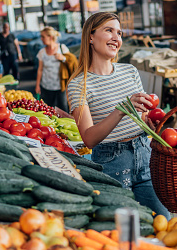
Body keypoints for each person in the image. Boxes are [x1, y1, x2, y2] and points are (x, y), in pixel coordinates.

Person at [67, 12, 170, 219]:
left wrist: (149, 121)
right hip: (111, 162)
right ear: (90, 37)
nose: (117, 38)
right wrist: (121, 110)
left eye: (119, 33)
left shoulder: (130, 71)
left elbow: (142, 118)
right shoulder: (78, 83)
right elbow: (88, 137)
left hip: (144, 155)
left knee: (162, 222)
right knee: (125, 230)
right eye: (109, 30)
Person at [35, 27, 74, 113]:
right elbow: (40, 69)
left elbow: (72, 62)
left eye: (43, 37)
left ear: (50, 37)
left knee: (63, 109)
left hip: (61, 86)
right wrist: (37, 85)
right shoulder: (42, 52)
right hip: (46, 86)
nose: (41, 39)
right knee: (47, 110)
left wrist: (63, 58)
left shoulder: (62, 48)